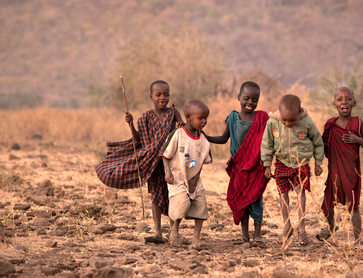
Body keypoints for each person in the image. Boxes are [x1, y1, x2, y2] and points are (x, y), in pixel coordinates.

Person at [95, 80, 184, 244]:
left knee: (173, 195)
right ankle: (158, 233)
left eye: (166, 94)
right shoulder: (145, 118)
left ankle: (174, 232)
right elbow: (139, 141)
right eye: (158, 95)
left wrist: (180, 125)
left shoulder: (174, 112)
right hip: (152, 162)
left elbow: (181, 129)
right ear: (151, 97)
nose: (162, 98)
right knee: (156, 197)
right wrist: (130, 124)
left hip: (171, 162)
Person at [205, 81, 269, 245]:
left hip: (256, 166)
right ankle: (244, 235)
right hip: (239, 167)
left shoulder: (262, 118)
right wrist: (205, 136)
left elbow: (269, 142)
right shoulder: (233, 118)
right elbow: (223, 138)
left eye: (254, 100)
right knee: (242, 201)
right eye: (246, 98)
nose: (250, 102)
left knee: (256, 200)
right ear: (239, 97)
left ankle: (258, 235)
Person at [262, 94, 324, 246]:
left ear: (299, 113)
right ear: (279, 114)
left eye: (292, 120)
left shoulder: (307, 121)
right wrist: (267, 164)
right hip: (282, 162)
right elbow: (267, 143)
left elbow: (317, 141)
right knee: (282, 194)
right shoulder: (272, 122)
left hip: (301, 162)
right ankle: (287, 225)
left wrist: (318, 162)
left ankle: (301, 228)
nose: (288, 123)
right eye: (285, 120)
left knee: (300, 192)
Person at [316, 87, 363, 245]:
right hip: (334, 171)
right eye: (340, 99)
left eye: (348, 99)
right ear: (334, 104)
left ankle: (358, 241)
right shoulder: (330, 124)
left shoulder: (359, 123)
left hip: (351, 172)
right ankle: (331, 227)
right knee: (328, 203)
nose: (344, 102)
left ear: (354, 103)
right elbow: (323, 144)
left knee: (353, 206)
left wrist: (358, 140)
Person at [161, 99, 212, 249]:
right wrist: (167, 172)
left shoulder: (203, 140)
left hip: (195, 180)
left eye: (205, 118)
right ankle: (174, 232)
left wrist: (196, 180)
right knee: (180, 205)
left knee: (200, 207)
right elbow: (166, 155)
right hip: (178, 178)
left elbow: (202, 160)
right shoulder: (178, 134)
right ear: (188, 117)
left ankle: (196, 238)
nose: (204, 121)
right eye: (200, 118)